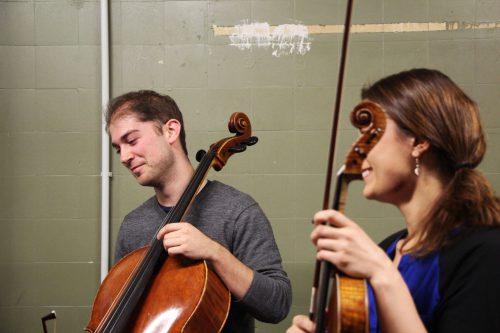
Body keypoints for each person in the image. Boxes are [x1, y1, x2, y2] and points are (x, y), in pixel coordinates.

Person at [287, 68, 500, 333]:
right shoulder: (387, 249)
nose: (358, 148)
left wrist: (383, 275)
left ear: (419, 142)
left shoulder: (486, 252)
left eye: (370, 132)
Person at [106, 90, 292, 332]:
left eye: (131, 141)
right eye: (118, 148)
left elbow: (277, 305)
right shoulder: (133, 225)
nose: (124, 157)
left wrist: (215, 253)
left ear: (170, 130)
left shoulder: (237, 210)